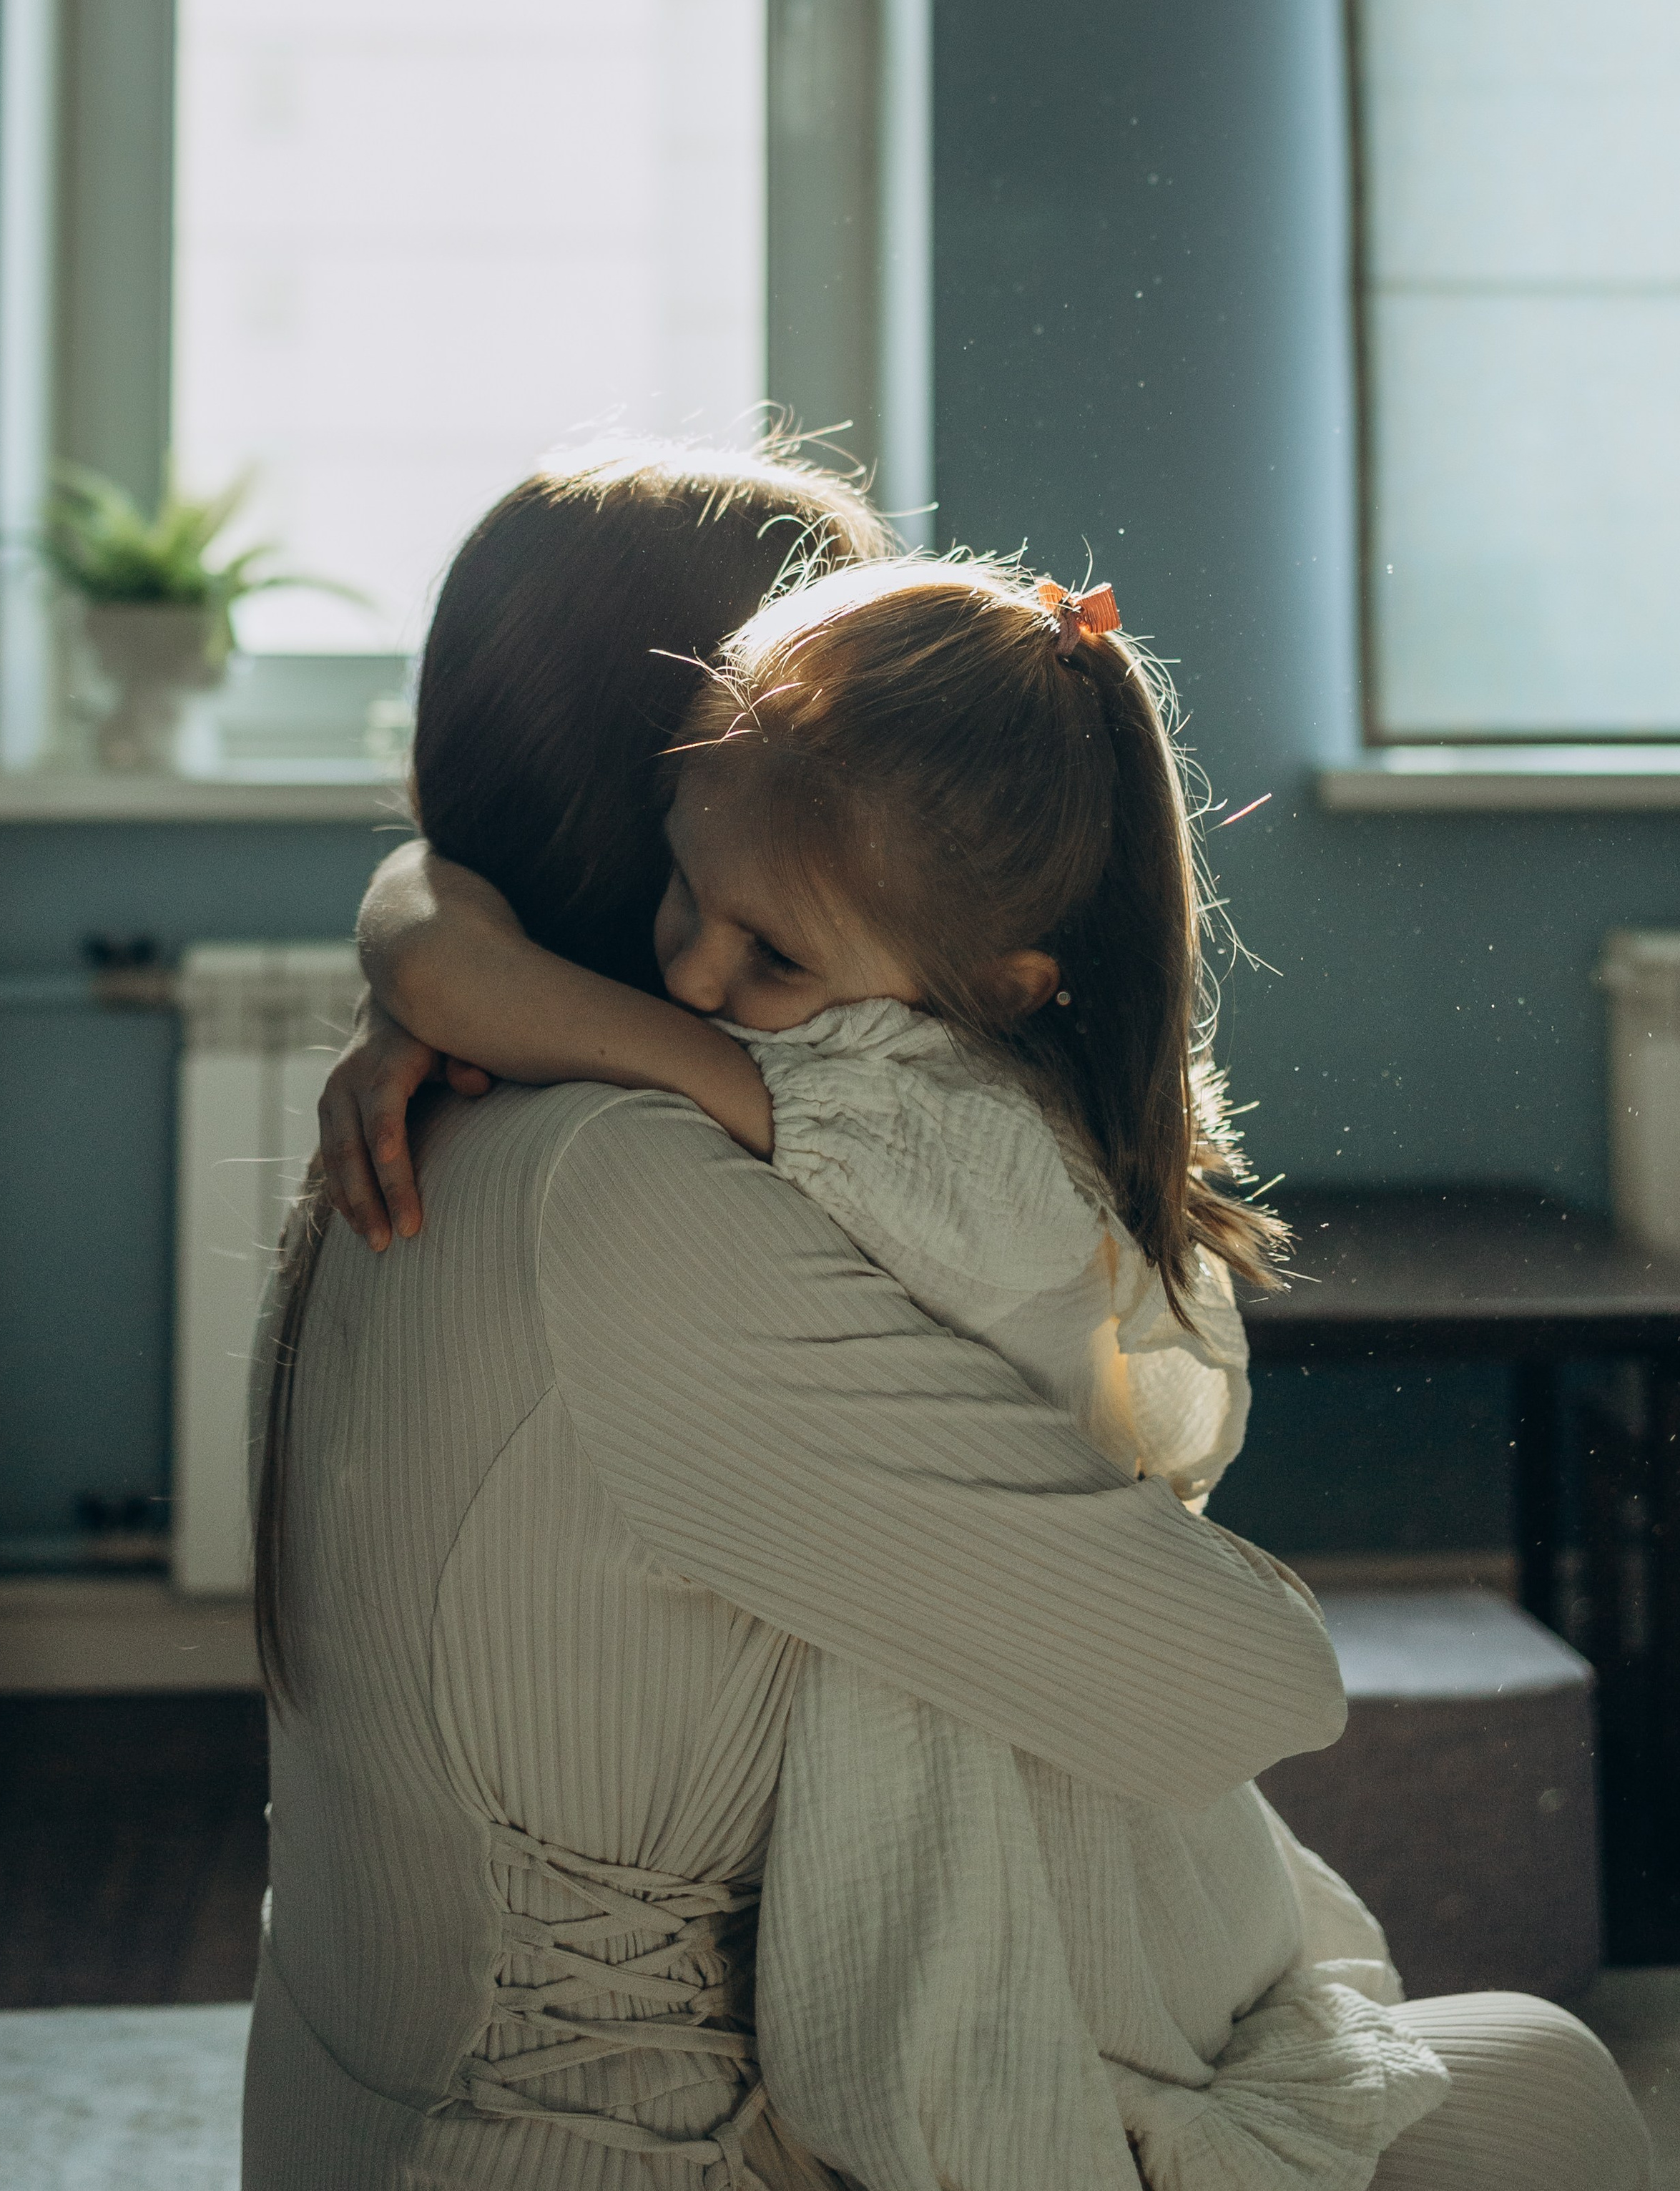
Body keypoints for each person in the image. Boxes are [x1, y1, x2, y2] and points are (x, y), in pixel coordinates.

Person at [283, 446, 1649, 2191]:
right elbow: (1239, 1691)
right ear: (678, 778)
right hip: (638, 2149)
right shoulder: (636, 1189)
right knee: (1545, 2083)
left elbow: (446, 919)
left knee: (1442, 2056)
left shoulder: (413, 1137)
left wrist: (419, 941)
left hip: (353, 2101)